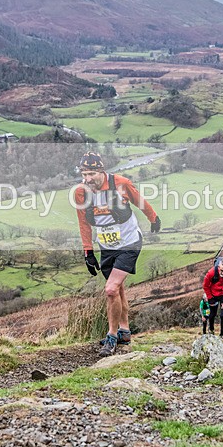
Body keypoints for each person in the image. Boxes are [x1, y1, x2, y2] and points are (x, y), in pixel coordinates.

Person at [74, 151, 161, 356]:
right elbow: (84, 222)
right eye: (84, 174)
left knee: (111, 289)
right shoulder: (81, 193)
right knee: (118, 288)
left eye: (91, 174)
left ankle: (111, 337)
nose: (87, 179)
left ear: (101, 171)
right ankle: (124, 330)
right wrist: (88, 251)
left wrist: (154, 218)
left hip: (129, 241)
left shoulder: (121, 183)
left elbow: (140, 201)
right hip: (107, 245)